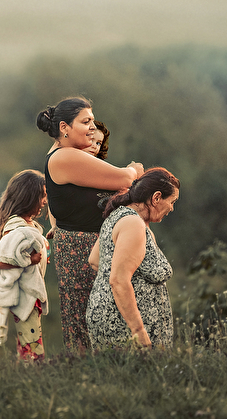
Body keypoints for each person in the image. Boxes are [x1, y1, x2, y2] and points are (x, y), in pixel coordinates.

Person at [36, 97, 143, 352]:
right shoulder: (64, 156)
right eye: (86, 122)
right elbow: (123, 179)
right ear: (64, 127)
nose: (93, 127)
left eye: (93, 121)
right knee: (92, 317)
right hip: (83, 250)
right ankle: (92, 370)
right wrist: (134, 169)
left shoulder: (66, 154)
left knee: (96, 316)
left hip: (84, 245)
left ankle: (97, 367)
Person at [86, 167, 180, 348]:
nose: (172, 208)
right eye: (172, 201)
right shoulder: (133, 223)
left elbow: (95, 260)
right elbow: (118, 280)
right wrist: (138, 330)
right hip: (124, 325)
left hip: (107, 315)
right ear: (156, 198)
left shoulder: (119, 215)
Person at [0, 170, 50, 361]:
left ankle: (29, 369)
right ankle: (33, 372)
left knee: (30, 340)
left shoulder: (28, 225)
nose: (45, 201)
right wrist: (30, 261)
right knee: (32, 344)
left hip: (31, 291)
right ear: (29, 197)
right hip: (24, 294)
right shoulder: (15, 228)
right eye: (42, 196)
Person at [46, 119, 111, 238]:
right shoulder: (66, 166)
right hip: (75, 236)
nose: (94, 146)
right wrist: (55, 225)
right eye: (91, 140)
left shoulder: (101, 169)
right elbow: (53, 197)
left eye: (98, 143)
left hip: (101, 234)